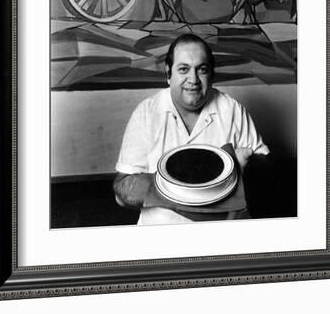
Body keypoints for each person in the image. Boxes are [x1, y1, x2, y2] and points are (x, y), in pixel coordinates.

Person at [113, 33, 269, 225]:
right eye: (183, 69)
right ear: (168, 74)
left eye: (201, 69)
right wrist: (177, 191)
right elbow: (121, 190)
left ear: (211, 74)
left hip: (225, 233)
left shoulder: (232, 110)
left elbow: (266, 171)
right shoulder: (146, 113)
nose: (193, 79)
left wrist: (238, 167)